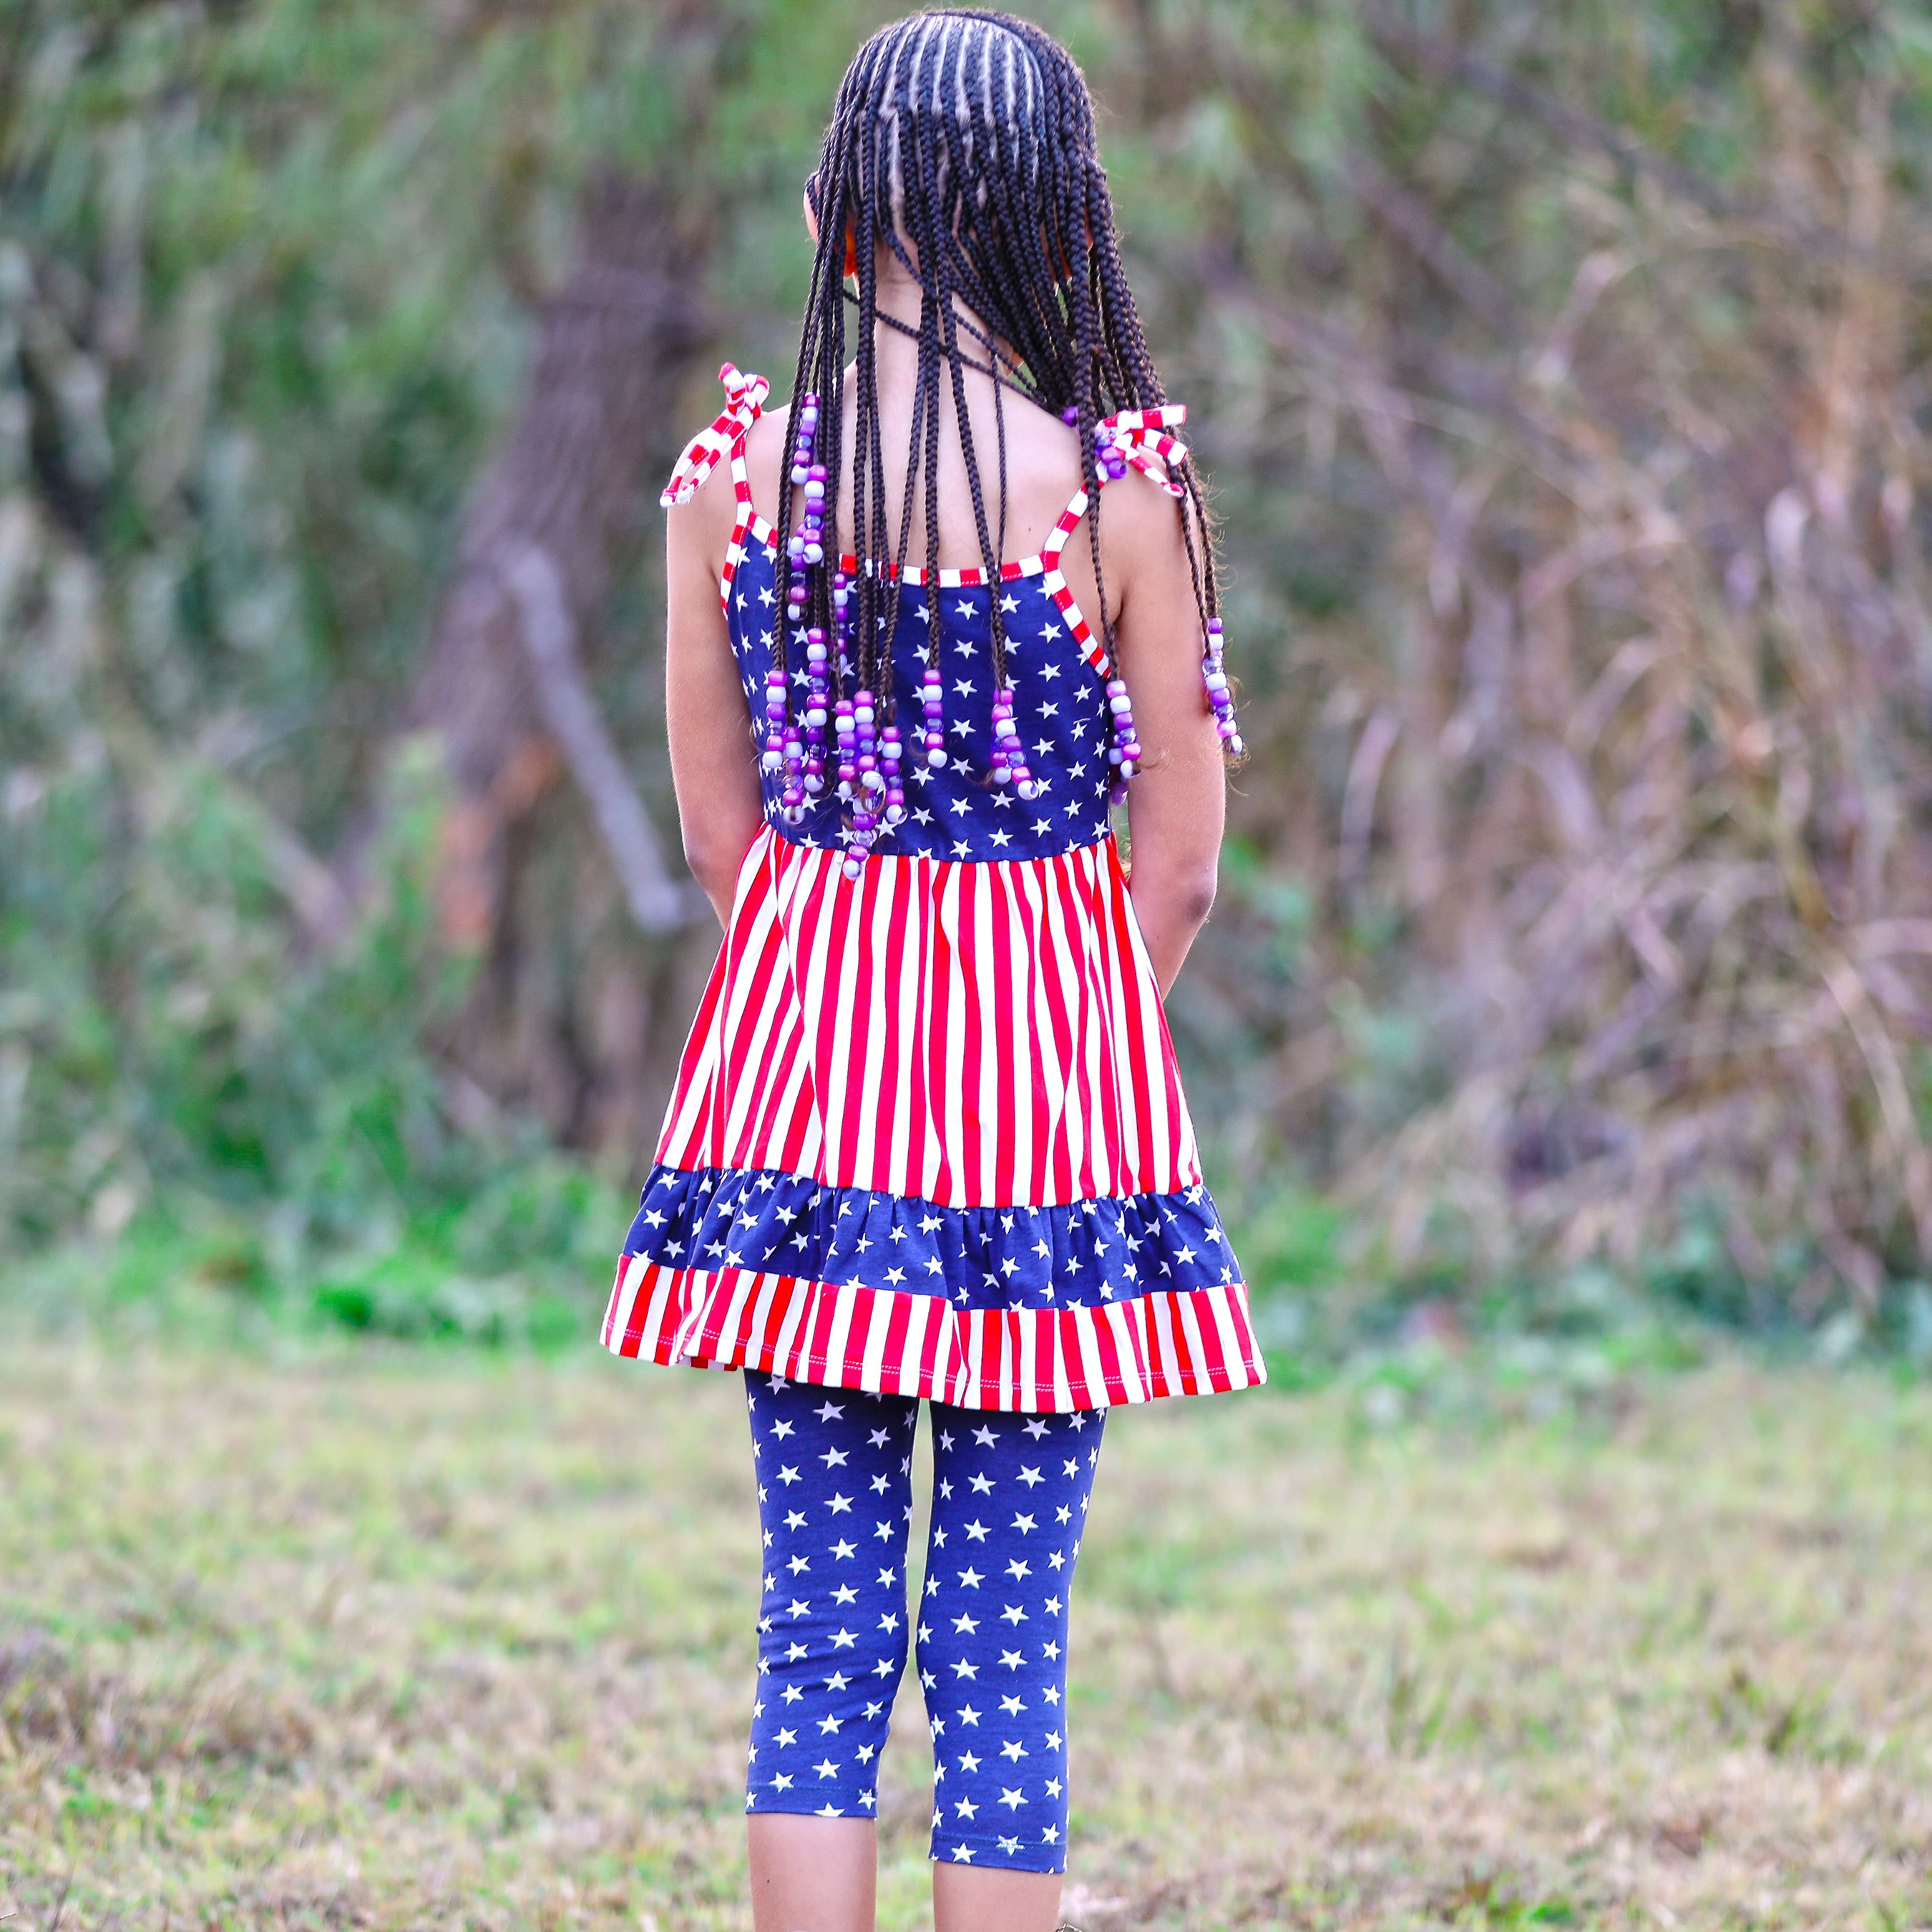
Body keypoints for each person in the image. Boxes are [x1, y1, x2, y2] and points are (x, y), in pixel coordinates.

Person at [602, 12, 1263, 1929]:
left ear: (834, 208)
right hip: (1047, 1101)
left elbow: (722, 834)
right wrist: (1063, 1010)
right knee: (1001, 1642)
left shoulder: (733, 477)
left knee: (812, 1625)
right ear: (1062, 222)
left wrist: (844, 980)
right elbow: (1187, 859)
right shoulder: (1115, 493)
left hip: (801, 1082)